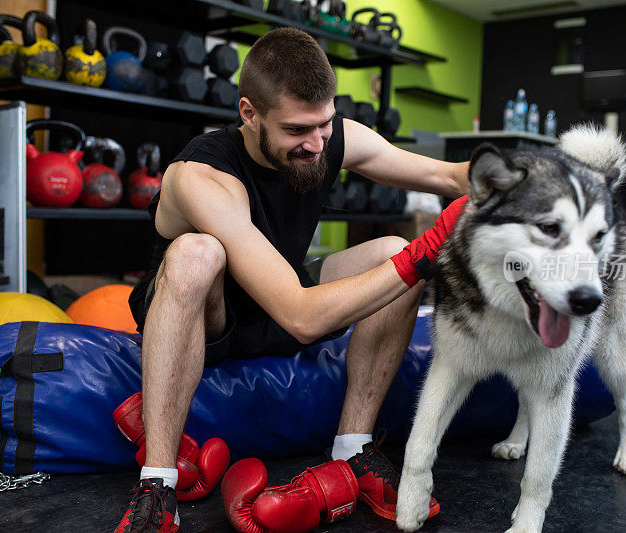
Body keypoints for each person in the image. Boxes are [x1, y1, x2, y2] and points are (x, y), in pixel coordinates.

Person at [116, 27, 469, 533]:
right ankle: (157, 485)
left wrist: (517, 179)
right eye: (297, 131)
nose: (316, 143)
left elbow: (450, 175)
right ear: (249, 113)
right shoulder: (203, 174)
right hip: (211, 318)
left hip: (280, 298)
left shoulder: (328, 136)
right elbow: (302, 317)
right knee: (198, 252)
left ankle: (355, 451)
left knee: (394, 252)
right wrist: (429, 251)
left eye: (324, 124)